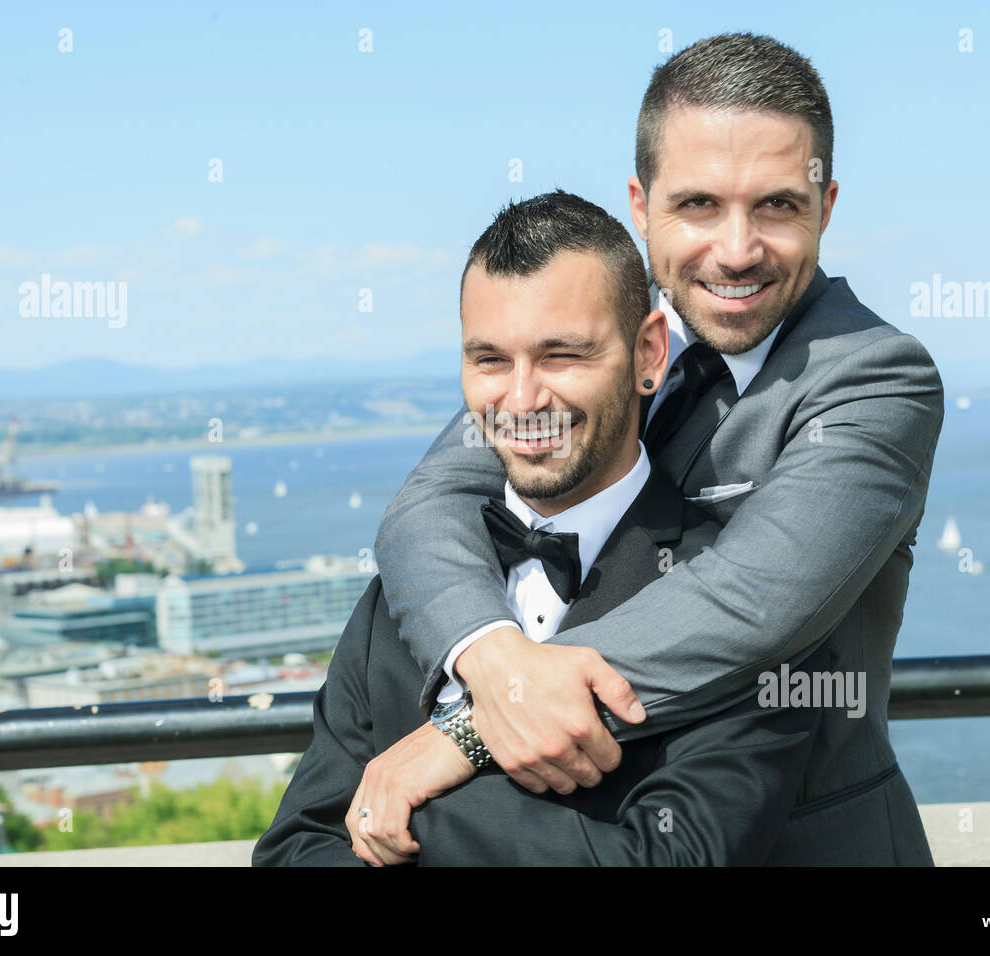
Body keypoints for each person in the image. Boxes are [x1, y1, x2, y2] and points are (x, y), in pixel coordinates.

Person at [368, 33, 943, 863]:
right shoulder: (593, 342)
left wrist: (469, 730)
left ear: (826, 206)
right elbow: (429, 503)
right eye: (699, 205)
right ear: (641, 207)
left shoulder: (877, 380)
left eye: (777, 205)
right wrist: (490, 660)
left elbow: (750, 604)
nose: (737, 250)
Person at [253, 191, 832, 866]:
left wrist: (423, 802)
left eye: (561, 356)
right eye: (490, 360)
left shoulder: (744, 594)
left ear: (649, 354)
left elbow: (676, 861)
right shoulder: (400, 600)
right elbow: (295, 849)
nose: (522, 399)